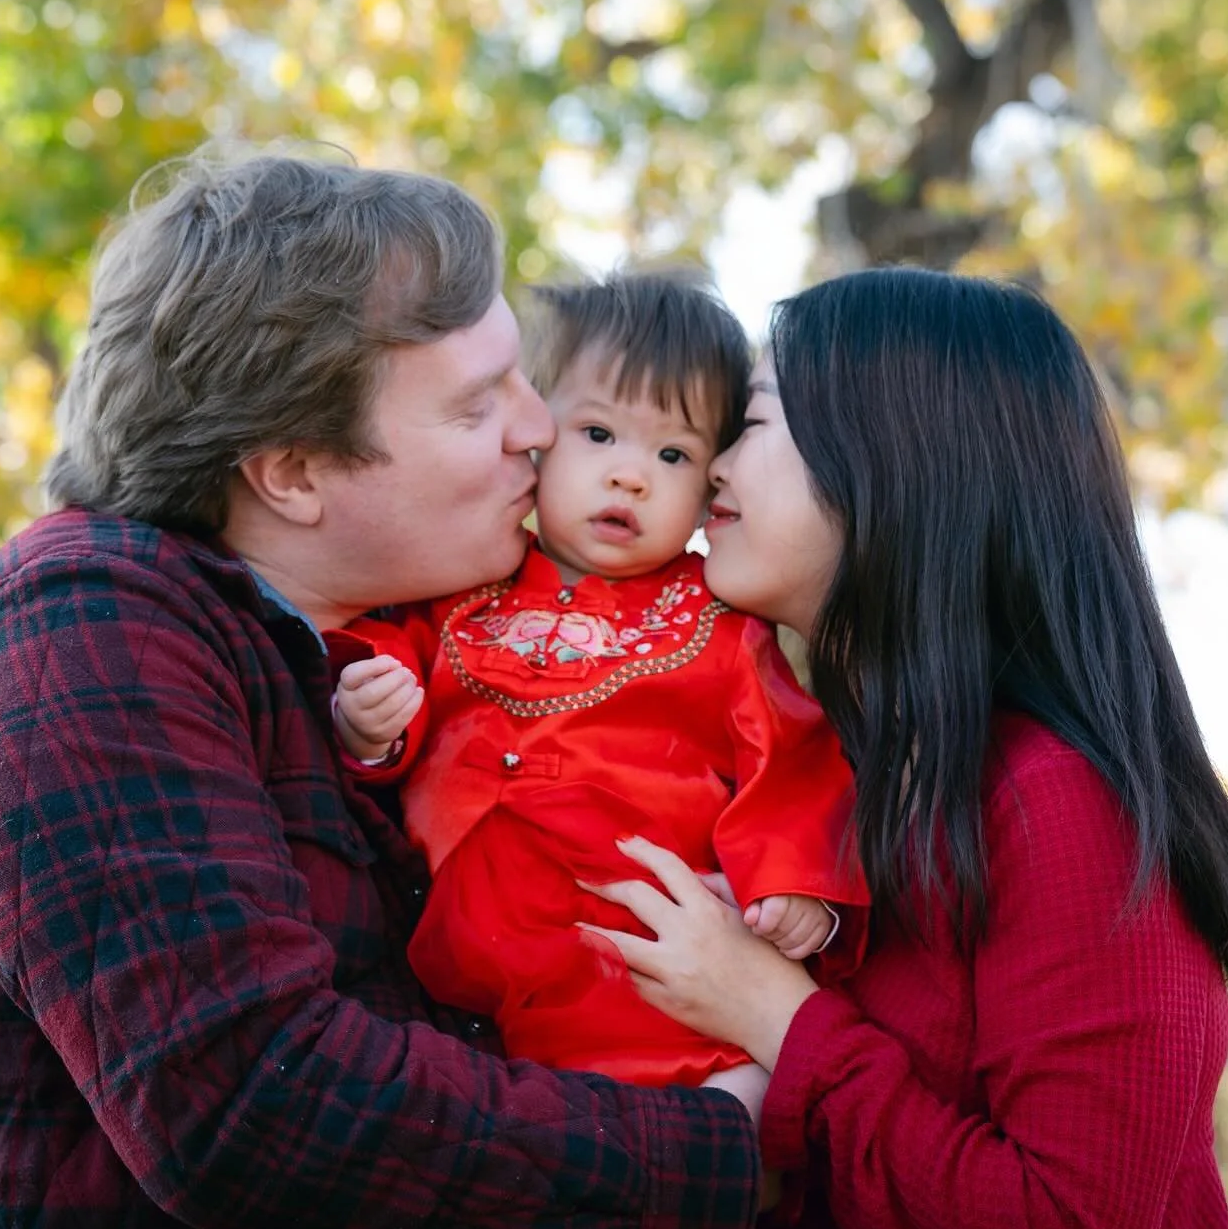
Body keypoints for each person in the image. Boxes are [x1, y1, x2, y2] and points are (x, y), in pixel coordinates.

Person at [0, 144, 765, 1229]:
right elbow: (252, 1107)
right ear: (291, 471)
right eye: (477, 404)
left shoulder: (352, 653)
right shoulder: (75, 636)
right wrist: (724, 1147)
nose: (539, 428)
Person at [581, 267, 1228, 1229]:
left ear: (893, 464)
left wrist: (777, 1015)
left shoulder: (1064, 808)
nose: (712, 470)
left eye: (754, 424)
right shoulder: (833, 776)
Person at [331, 270, 868, 1089]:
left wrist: (792, 884)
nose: (631, 476)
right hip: (450, 970)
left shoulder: (716, 625)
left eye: (673, 453)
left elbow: (789, 758)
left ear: (709, 491)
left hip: (629, 973)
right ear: (538, 437)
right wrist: (371, 722)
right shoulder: (463, 585)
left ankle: (734, 1113)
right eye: (598, 434)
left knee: (717, 1092)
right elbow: (386, 653)